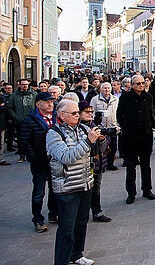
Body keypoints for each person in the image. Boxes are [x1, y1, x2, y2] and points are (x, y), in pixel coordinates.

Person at [47, 99, 105, 265]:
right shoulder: (54, 134)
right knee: (67, 228)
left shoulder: (82, 129)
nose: (77, 116)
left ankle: (77, 254)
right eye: (73, 113)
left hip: (85, 182)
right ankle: (62, 261)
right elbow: (67, 157)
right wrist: (89, 141)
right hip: (67, 186)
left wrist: (99, 140)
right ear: (61, 115)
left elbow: (96, 151)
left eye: (77, 112)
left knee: (81, 222)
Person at [19, 92, 59, 232]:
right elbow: (25, 142)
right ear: (38, 104)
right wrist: (34, 158)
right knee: (38, 192)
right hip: (39, 162)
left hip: (53, 160)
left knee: (55, 189)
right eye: (47, 102)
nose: (50, 104)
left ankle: (53, 213)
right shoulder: (30, 120)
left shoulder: (55, 117)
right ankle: (37, 219)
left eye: (51, 102)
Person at [117, 75, 155, 204]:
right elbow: (119, 116)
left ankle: (147, 189)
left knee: (146, 165)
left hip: (145, 135)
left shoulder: (148, 97)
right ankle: (131, 193)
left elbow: (151, 114)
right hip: (131, 137)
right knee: (131, 166)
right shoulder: (125, 98)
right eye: (138, 83)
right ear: (132, 85)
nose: (141, 85)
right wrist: (127, 128)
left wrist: (151, 126)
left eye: (142, 83)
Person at [78, 101, 112, 223]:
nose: (89, 114)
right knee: (84, 191)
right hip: (84, 163)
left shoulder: (95, 124)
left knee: (96, 188)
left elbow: (105, 144)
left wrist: (102, 139)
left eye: (91, 112)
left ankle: (97, 212)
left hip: (97, 162)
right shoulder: (77, 127)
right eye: (86, 112)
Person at [90, 82, 120, 171]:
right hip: (101, 127)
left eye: (108, 88)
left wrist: (118, 125)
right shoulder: (95, 100)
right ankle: (101, 165)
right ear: (100, 89)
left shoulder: (116, 99)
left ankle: (110, 164)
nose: (107, 90)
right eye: (105, 88)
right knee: (101, 148)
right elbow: (92, 112)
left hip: (113, 126)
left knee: (113, 147)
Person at [8, 78, 37, 163]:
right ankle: (21, 156)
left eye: (26, 84)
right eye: (23, 84)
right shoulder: (14, 95)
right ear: (19, 85)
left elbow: (37, 106)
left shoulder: (34, 94)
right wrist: (15, 117)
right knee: (21, 140)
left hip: (32, 120)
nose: (25, 86)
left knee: (32, 139)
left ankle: (31, 156)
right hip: (20, 121)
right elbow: (10, 108)